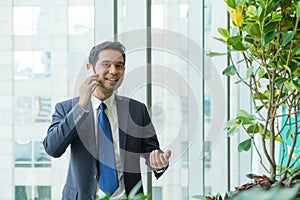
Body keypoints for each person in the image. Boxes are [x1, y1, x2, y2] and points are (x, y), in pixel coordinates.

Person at [43, 41, 171, 200]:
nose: (113, 71)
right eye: (106, 64)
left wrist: (159, 163)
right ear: (90, 68)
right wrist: (81, 106)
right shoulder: (67, 109)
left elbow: (151, 153)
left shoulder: (136, 110)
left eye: (119, 66)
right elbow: (52, 148)